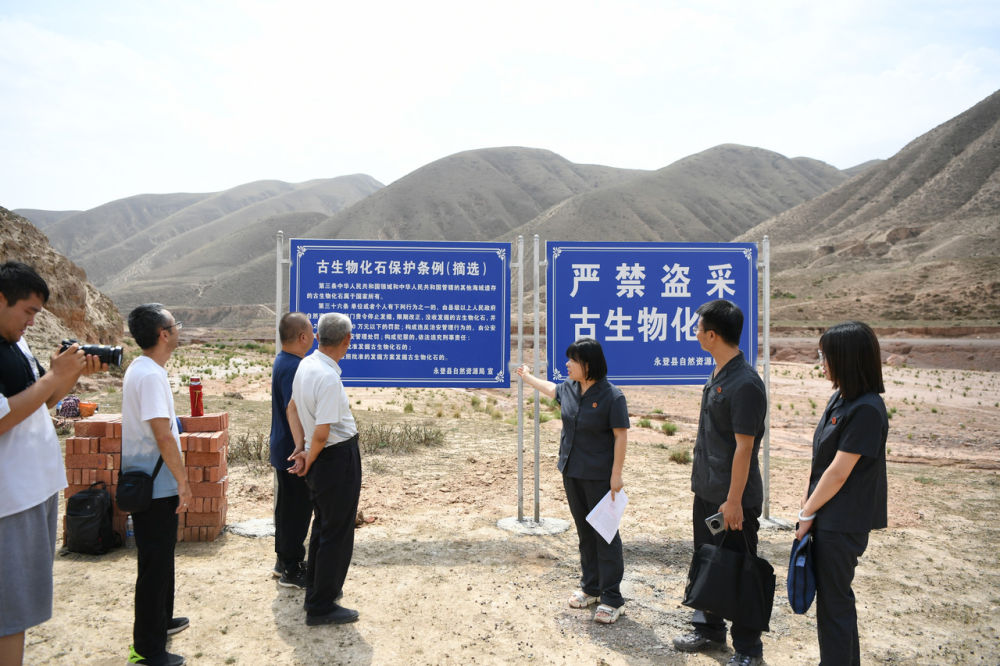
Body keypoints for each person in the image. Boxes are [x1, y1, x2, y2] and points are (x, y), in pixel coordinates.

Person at [0, 261, 104, 666]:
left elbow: (45, 401)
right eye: (27, 311)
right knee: (10, 612)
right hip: (10, 499)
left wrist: (70, 374)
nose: (31, 321)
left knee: (22, 606)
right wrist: (52, 378)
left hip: (34, 489)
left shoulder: (17, 342)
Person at [672, 299, 767, 666]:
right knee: (708, 562)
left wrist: (734, 501)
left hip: (733, 498)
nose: (695, 334)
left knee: (740, 568)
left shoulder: (745, 384)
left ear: (712, 335)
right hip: (708, 491)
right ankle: (709, 629)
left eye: (698, 329)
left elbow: (745, 448)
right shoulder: (719, 373)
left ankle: (748, 649)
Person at [516, 337, 630, 624]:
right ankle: (591, 588)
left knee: (605, 534)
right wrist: (527, 376)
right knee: (585, 533)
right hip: (572, 472)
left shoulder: (612, 396)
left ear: (588, 364)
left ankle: (612, 598)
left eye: (573, 360)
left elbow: (620, 436)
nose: (567, 364)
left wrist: (616, 474)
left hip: (600, 477)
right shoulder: (569, 388)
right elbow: (551, 389)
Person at [796, 321, 888, 665]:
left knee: (835, 605)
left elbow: (838, 473)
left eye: (826, 356)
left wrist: (806, 513)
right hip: (829, 516)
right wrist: (809, 507)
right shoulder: (842, 399)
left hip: (843, 522)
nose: (821, 363)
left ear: (847, 359)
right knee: (834, 602)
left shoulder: (866, 409)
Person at [122, 304, 192, 666]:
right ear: (164, 334)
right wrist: (184, 481)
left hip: (154, 482)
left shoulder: (145, 369)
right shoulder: (150, 376)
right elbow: (163, 435)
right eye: (175, 325)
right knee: (153, 565)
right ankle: (146, 650)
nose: (178, 330)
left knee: (161, 559)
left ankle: (162, 621)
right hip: (155, 485)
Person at [286, 312, 362, 626]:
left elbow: (291, 408)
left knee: (323, 527)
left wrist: (300, 449)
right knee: (337, 532)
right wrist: (309, 454)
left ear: (317, 338)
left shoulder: (306, 365)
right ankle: (321, 606)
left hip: (321, 457)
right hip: (335, 458)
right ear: (347, 340)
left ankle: (318, 592)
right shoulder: (328, 377)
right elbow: (322, 432)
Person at [268, 312, 316, 588]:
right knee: (296, 512)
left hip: (283, 447)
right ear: (302, 337)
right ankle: (291, 569)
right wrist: (303, 448)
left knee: (287, 509)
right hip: (292, 451)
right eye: (311, 331)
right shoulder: (295, 367)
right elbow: (292, 408)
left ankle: (283, 562)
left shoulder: (283, 360)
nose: (314, 336)